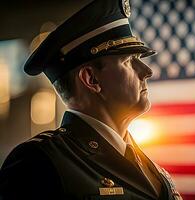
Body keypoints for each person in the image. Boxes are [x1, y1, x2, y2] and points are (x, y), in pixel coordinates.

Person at [0, 0, 182, 200]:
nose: (147, 71)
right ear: (91, 79)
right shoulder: (37, 163)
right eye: (129, 61)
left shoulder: (152, 168)